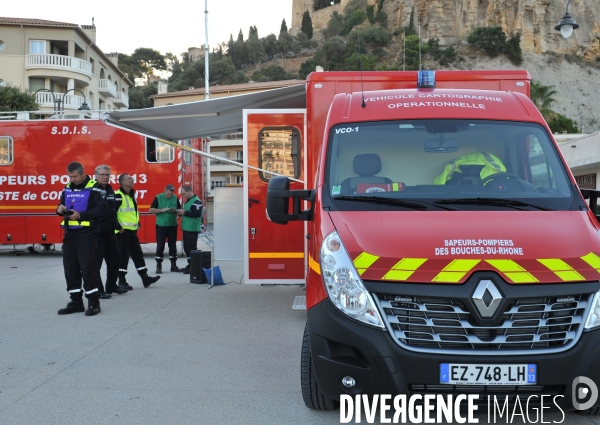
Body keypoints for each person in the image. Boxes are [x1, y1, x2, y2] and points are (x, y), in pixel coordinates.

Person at [56, 161, 108, 316]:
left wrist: (81, 215)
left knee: (88, 268)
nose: (72, 179)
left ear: (83, 173)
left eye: (75, 176)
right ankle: (76, 301)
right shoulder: (67, 188)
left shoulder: (95, 187)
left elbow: (103, 209)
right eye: (70, 176)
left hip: (87, 234)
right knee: (70, 269)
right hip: (69, 234)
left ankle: (94, 302)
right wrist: (59, 209)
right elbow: (61, 204)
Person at [114, 173, 161, 288]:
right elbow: (112, 213)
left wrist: (138, 223)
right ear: (123, 182)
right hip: (122, 232)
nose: (132, 180)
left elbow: (133, 212)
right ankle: (121, 281)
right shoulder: (118, 195)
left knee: (137, 254)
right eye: (129, 179)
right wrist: (118, 227)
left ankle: (145, 278)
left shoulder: (131, 194)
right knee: (123, 257)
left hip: (131, 231)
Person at [94, 165, 128, 296]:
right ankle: (98, 290)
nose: (105, 177)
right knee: (96, 263)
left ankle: (111, 286)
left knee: (115, 259)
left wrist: (117, 225)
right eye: (102, 174)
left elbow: (112, 211)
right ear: (96, 176)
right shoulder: (93, 190)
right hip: (97, 232)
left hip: (110, 231)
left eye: (107, 175)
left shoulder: (109, 190)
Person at [148, 184, 182, 274]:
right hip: (161, 225)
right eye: (168, 194)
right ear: (164, 190)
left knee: (173, 245)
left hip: (172, 225)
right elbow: (151, 210)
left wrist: (176, 211)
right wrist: (162, 210)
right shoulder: (158, 197)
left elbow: (179, 209)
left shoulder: (175, 198)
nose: (170, 196)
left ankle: (173, 265)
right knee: (160, 245)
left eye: (171, 194)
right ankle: (159, 266)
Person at [177, 186, 204, 274]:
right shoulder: (189, 200)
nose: (183, 196)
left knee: (192, 248)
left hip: (192, 229)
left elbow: (196, 214)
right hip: (187, 228)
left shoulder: (196, 201)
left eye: (184, 194)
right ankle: (190, 264)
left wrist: (185, 212)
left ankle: (194, 267)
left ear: (189, 191)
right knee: (187, 248)